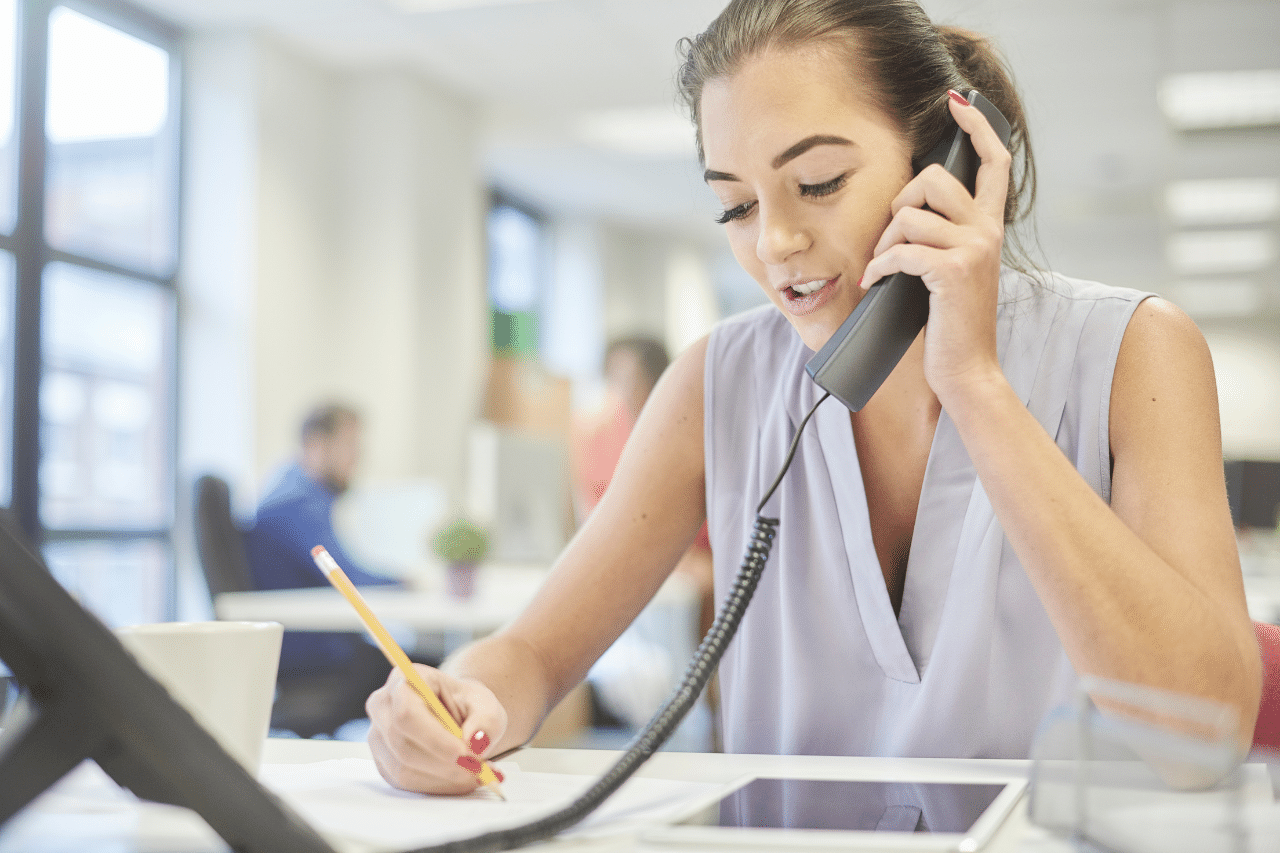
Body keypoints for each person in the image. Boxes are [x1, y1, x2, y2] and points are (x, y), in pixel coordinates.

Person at [366, 0, 1261, 794]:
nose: (776, 243)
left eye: (819, 182)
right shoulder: (715, 383)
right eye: (736, 206)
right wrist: (461, 699)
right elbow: (531, 653)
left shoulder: (1134, 352)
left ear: (941, 163)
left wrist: (977, 387)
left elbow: (1196, 737)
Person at [244, 402, 398, 733]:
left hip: (313, 649)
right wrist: (402, 582)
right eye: (350, 445)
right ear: (316, 444)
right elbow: (345, 577)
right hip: (312, 657)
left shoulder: (295, 492)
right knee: (427, 671)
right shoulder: (294, 503)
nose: (357, 458)